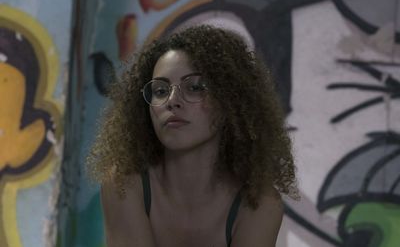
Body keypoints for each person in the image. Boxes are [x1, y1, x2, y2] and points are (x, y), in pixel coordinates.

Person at [88, 25, 297, 247]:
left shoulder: (259, 204)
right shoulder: (125, 183)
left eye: (195, 87)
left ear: (230, 101)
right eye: (160, 91)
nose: (172, 101)